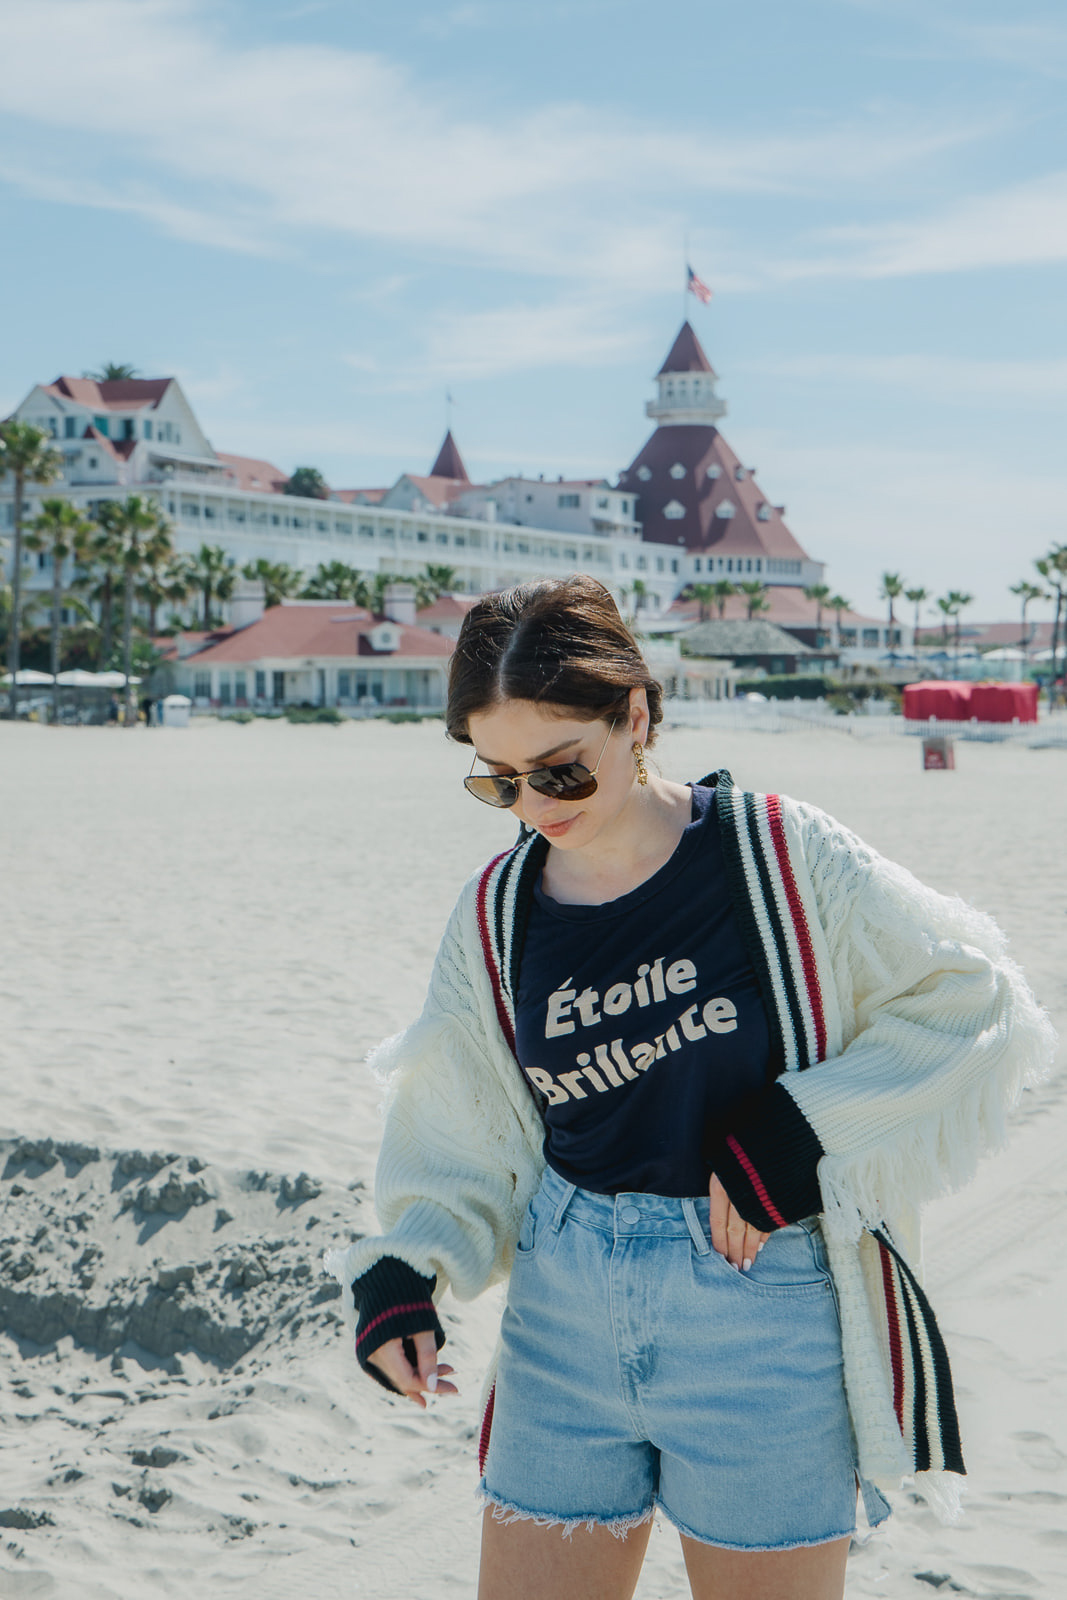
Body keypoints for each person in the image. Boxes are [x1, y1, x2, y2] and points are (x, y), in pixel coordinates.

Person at [326, 576, 1053, 1600]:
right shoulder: (496, 910)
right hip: (561, 1311)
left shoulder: (774, 852)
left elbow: (972, 997)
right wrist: (406, 1268)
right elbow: (461, 1123)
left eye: (559, 772)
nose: (532, 809)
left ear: (636, 716)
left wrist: (797, 1133)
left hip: (763, 1313)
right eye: (497, 781)